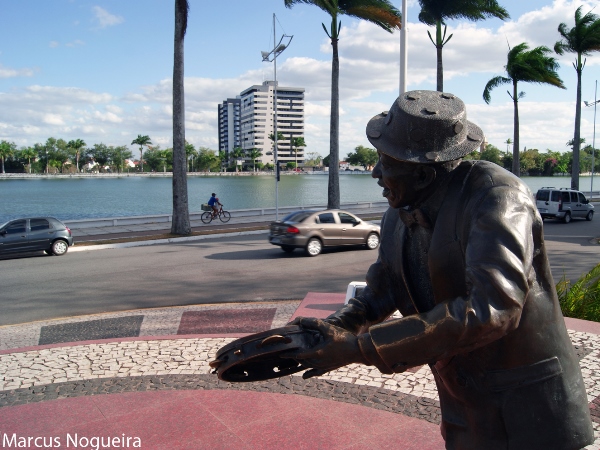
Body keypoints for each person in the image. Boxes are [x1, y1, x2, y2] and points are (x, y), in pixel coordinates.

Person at [286, 90, 594, 449]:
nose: (375, 172)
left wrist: (359, 349)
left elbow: (492, 310)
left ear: (423, 175)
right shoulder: (398, 210)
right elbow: (383, 285)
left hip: (527, 405)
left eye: (386, 161)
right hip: (461, 397)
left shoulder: (498, 197)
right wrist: (334, 328)